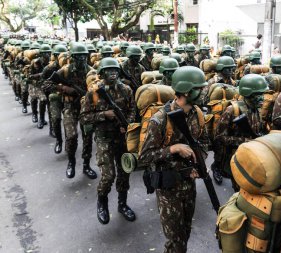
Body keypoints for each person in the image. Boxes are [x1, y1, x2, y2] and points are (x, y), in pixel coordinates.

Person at [139, 66, 209, 253]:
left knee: (185, 232)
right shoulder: (160, 120)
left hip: (189, 183)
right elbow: (144, 157)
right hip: (169, 188)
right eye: (199, 88)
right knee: (175, 241)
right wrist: (173, 148)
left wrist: (197, 162)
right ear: (186, 91)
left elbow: (204, 142)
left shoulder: (198, 114)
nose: (204, 91)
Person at [80, 57, 136, 224]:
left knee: (124, 172)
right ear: (102, 73)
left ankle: (122, 204)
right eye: (109, 70)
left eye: (115, 70)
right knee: (108, 175)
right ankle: (102, 201)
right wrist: (104, 115)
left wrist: (127, 124)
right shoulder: (94, 92)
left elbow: (132, 109)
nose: (113, 73)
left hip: (121, 137)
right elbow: (84, 118)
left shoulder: (126, 89)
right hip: (104, 137)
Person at [214, 74, 268, 190]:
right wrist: (244, 141)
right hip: (237, 156)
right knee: (240, 188)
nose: (262, 98)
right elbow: (219, 137)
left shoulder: (256, 109)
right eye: (258, 95)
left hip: (253, 154)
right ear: (248, 94)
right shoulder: (232, 110)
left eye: (262, 94)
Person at [53, 42, 97, 180]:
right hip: (70, 108)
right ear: (72, 57)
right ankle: (71, 161)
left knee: (88, 138)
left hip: (87, 109)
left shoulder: (91, 71)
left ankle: (86, 165)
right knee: (71, 137)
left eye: (84, 56)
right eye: (78, 57)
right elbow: (47, 83)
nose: (82, 59)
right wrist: (65, 89)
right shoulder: (65, 70)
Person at [28, 44, 52, 129]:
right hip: (35, 85)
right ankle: (35, 114)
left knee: (43, 100)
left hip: (46, 85)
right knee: (34, 99)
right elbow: (29, 76)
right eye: (45, 53)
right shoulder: (35, 62)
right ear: (41, 54)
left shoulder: (50, 63)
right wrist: (40, 75)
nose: (47, 55)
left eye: (48, 53)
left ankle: (41, 119)